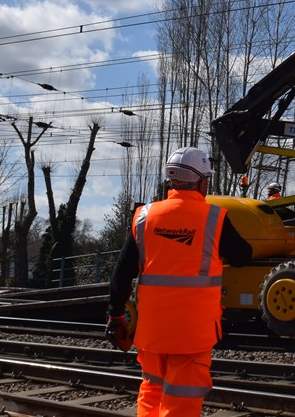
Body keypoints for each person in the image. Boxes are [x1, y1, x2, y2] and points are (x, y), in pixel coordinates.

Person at [106, 147, 253, 417]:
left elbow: (122, 273)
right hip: (192, 333)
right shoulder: (214, 218)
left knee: (152, 391)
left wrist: (116, 315)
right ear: (202, 181)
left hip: (152, 332)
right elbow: (244, 256)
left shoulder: (144, 217)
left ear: (171, 180)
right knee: (181, 400)